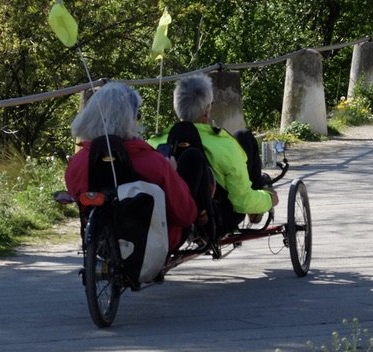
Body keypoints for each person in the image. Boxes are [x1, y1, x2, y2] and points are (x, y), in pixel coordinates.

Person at [65, 82, 197, 251]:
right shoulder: (154, 162)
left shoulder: (78, 163)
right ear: (131, 118)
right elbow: (185, 214)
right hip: (151, 247)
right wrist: (173, 173)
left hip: (100, 242)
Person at [151, 74, 277, 232]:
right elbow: (241, 201)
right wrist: (269, 200)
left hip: (170, 221)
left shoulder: (154, 144)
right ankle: (257, 204)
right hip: (219, 219)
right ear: (206, 110)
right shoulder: (224, 146)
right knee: (244, 137)